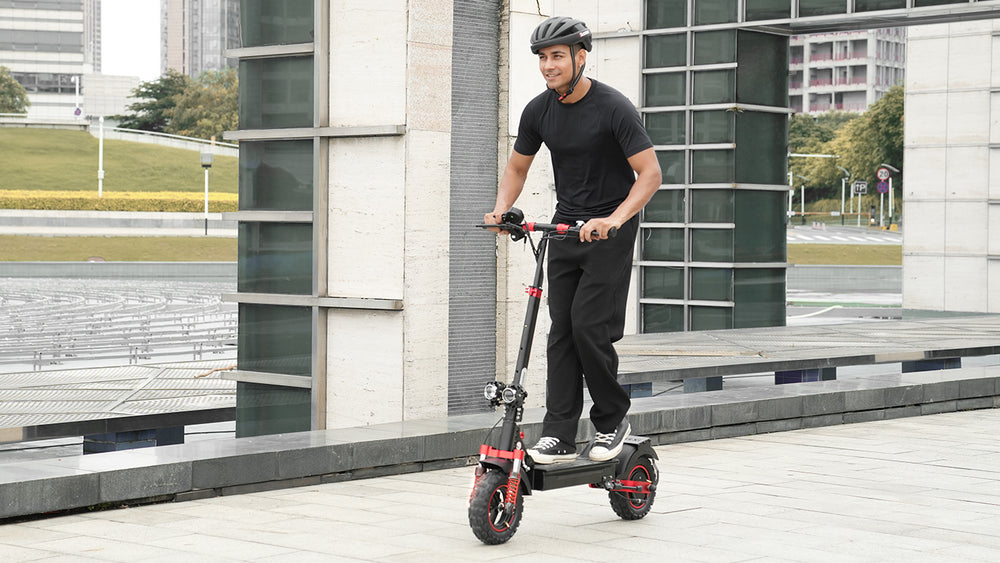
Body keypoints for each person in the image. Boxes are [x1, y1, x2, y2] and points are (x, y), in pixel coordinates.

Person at [484, 16, 661, 464]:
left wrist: (614, 219)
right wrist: (502, 209)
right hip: (565, 227)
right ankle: (559, 433)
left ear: (581, 57)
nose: (548, 65)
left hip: (609, 229)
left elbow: (650, 174)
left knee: (588, 325)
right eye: (543, 57)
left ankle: (612, 420)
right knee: (560, 330)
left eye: (557, 56)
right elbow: (518, 167)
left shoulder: (613, 107)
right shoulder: (538, 111)